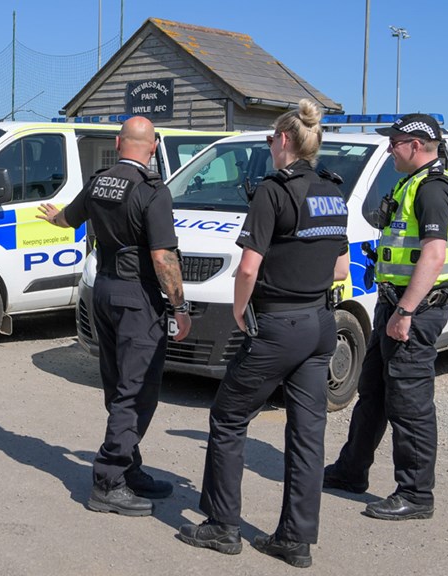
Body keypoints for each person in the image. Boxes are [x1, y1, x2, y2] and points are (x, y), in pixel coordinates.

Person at [177, 99, 350, 569]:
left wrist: (239, 311)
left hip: (277, 325)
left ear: (284, 141)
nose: (270, 145)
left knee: (229, 417)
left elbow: (248, 267)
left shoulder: (273, 192)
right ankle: (295, 540)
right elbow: (340, 266)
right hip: (319, 326)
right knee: (307, 435)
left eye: (272, 138)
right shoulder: (334, 192)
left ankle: (221, 525)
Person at [37, 116, 191, 517]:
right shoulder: (152, 192)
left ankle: (129, 467)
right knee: (136, 391)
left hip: (103, 291)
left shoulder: (99, 181)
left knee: (118, 384)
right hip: (136, 297)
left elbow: (67, 218)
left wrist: (51, 216)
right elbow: (162, 257)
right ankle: (108, 481)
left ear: (120, 143)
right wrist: (179, 306)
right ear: (153, 147)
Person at [323, 113, 448, 522]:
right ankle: (351, 471)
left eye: (395, 142)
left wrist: (405, 311)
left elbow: (435, 254)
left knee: (410, 405)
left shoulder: (434, 189)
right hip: (394, 304)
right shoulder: (413, 184)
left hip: (414, 311)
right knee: (373, 393)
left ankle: (417, 494)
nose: (390, 149)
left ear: (417, 145)